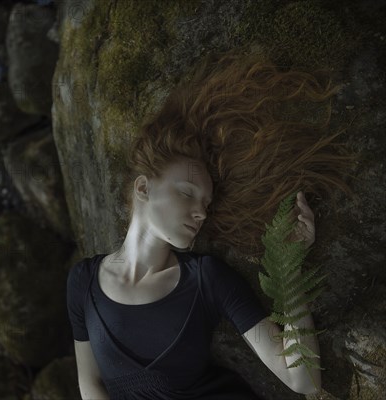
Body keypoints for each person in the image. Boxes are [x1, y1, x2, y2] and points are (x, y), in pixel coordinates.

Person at [66, 48, 360, 399]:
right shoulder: (82, 282)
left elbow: (304, 381)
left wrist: (290, 268)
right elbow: (91, 384)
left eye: (206, 203)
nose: (201, 212)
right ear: (143, 187)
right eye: (187, 193)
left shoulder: (207, 279)